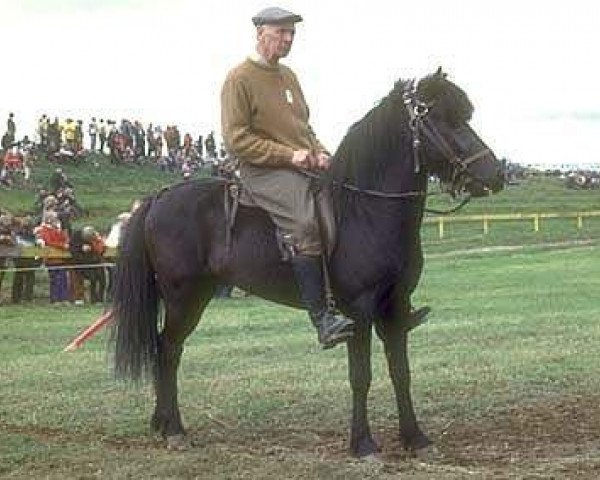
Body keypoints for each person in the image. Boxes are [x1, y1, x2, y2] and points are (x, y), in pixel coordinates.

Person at [220, 7, 354, 348]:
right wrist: (287, 155)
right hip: (261, 169)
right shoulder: (239, 78)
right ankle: (322, 319)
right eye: (281, 32)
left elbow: (302, 128)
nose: (288, 39)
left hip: (300, 163)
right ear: (260, 33)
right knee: (305, 224)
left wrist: (321, 152)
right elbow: (236, 138)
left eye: (292, 33)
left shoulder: (289, 76)